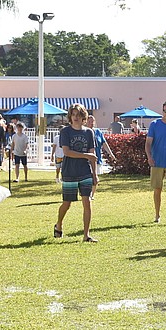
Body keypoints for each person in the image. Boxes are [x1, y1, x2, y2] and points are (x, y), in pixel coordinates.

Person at [54, 103, 98, 242]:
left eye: (78, 115)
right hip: (69, 171)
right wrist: (86, 156)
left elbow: (93, 154)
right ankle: (59, 224)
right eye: (73, 115)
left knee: (87, 202)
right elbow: (67, 152)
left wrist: (94, 174)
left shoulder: (89, 132)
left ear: (83, 116)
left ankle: (86, 235)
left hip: (85, 171)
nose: (76, 117)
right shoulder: (65, 132)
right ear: (70, 117)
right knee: (67, 203)